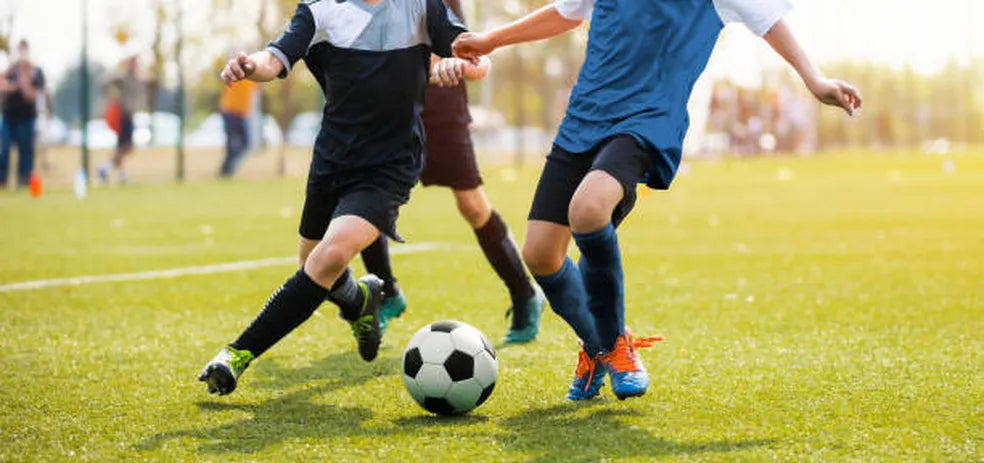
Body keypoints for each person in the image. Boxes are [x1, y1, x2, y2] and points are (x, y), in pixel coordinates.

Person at [449, 0, 862, 400]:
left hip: (647, 120)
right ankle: (599, 345)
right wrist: (491, 41)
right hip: (585, 117)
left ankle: (614, 348)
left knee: (589, 210)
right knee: (540, 254)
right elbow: (567, 12)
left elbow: (770, 20)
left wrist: (814, 79)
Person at [199, 0, 479, 396]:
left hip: (391, 164)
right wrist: (248, 67)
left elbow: (477, 58)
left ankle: (236, 354)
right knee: (312, 266)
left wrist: (460, 65)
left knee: (328, 258)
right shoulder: (319, 10)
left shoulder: (421, 6)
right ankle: (359, 300)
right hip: (332, 159)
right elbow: (275, 59)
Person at [361, 0, 545, 345]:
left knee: (472, 205)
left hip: (442, 103)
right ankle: (386, 291)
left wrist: (448, 61)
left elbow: (464, 49)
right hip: (390, 107)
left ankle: (524, 292)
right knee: (368, 199)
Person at [0, 40, 45, 189]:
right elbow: (2, 85)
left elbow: (31, 95)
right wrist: (12, 85)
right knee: (4, 147)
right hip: (9, 116)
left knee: (25, 150)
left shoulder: (36, 71)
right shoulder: (10, 69)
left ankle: (24, 180)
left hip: (27, 117)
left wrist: (23, 77)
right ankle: (2, 180)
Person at [98, 56, 143, 184]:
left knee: (124, 147)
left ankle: (117, 173)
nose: (136, 66)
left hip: (130, 115)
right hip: (123, 115)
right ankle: (105, 168)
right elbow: (105, 83)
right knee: (125, 147)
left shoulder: (135, 78)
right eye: (133, 63)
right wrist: (113, 98)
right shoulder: (122, 77)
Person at [218, 79, 257, 177]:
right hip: (230, 112)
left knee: (246, 144)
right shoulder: (237, 73)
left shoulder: (252, 78)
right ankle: (226, 171)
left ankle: (228, 168)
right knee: (232, 144)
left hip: (242, 115)